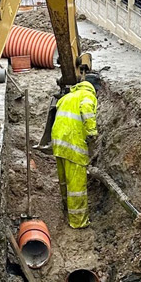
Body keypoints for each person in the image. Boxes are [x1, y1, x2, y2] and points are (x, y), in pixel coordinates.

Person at [51, 73, 100, 229]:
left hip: (59, 142)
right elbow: (86, 108)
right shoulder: (88, 95)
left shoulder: (67, 97)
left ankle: (66, 208)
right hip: (74, 144)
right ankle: (78, 221)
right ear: (94, 88)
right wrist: (92, 132)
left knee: (64, 179)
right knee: (76, 186)